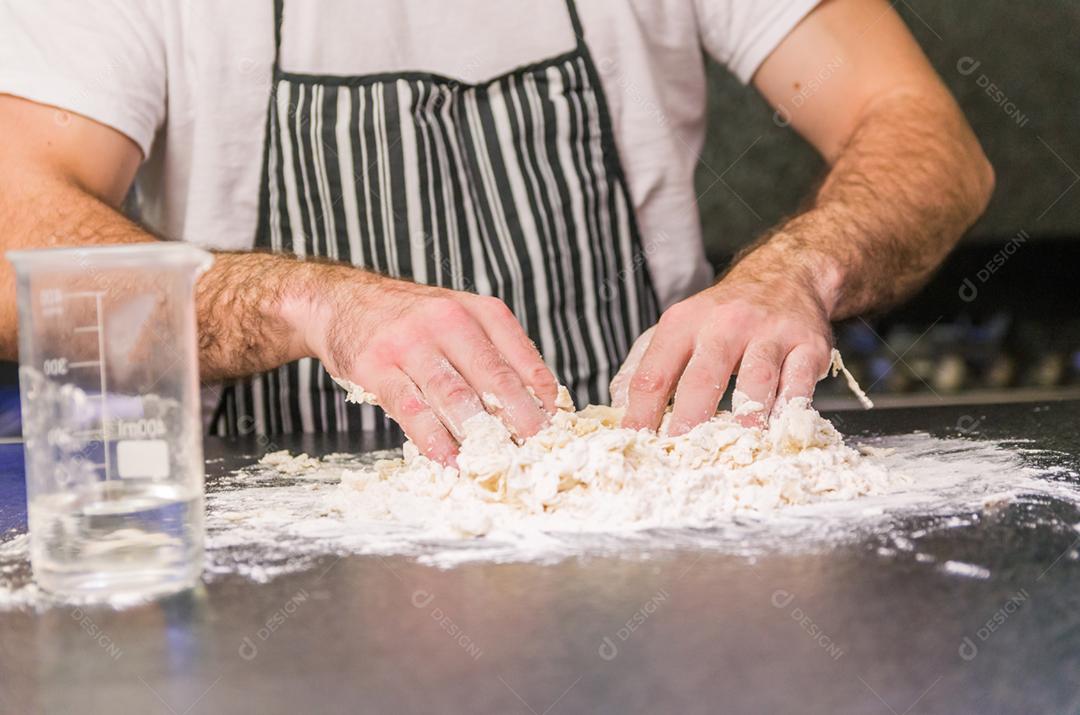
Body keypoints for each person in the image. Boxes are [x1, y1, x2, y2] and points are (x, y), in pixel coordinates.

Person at [0, 0, 993, 464]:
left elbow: (921, 133)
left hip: (636, 524)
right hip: (283, 540)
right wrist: (306, 301)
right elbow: (13, 236)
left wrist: (798, 267)